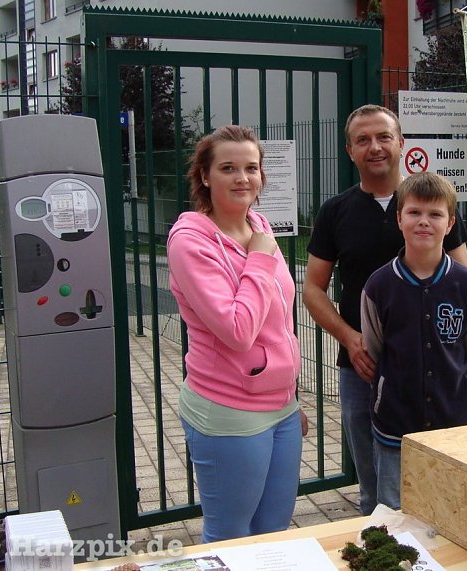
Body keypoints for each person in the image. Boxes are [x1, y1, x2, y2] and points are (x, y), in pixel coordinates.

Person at [303, 105, 467, 515]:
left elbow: (466, 290)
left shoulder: (432, 200)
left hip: (440, 373)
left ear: (401, 144)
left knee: (445, 482)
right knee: (378, 488)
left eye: (383, 137)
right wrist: (349, 338)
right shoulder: (335, 212)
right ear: (350, 151)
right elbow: (313, 290)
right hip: (365, 366)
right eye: (363, 140)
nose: (374, 147)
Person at [167, 125, 306, 543]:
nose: (242, 178)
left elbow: (279, 319)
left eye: (251, 167)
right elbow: (238, 330)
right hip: (229, 411)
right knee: (231, 537)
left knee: (272, 532)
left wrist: (290, 395)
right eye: (228, 168)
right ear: (205, 176)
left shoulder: (258, 226)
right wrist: (261, 259)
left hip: (280, 407)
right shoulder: (191, 242)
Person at [360, 172, 467, 509]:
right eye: (415, 212)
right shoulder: (379, 286)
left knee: (451, 508)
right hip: (395, 424)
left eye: (435, 214)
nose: (424, 222)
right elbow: (374, 348)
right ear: (399, 218)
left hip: (453, 420)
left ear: (450, 224)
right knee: (393, 510)